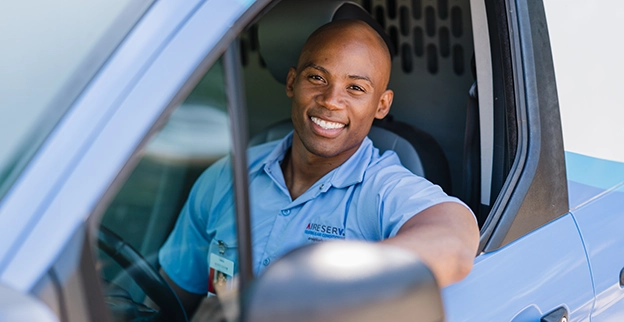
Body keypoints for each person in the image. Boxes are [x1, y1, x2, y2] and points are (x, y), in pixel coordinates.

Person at [158, 19, 480, 315]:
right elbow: (169, 301)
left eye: (355, 88)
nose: (330, 100)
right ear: (292, 82)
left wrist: (316, 282)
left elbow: (453, 241)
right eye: (317, 78)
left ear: (381, 105)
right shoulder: (227, 177)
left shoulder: (382, 188)